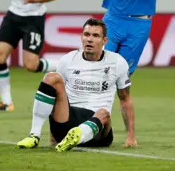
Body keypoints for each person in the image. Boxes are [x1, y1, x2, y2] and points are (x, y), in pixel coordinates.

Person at [16, 18, 137, 151]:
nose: (89, 39)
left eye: (95, 35)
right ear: (81, 37)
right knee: (51, 78)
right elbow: (55, 97)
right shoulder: (68, 60)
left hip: (99, 130)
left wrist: (131, 136)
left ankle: (78, 135)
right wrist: (52, 136)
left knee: (104, 114)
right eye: (86, 34)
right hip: (68, 119)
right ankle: (34, 135)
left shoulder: (117, 62)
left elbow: (125, 98)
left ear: (104, 41)